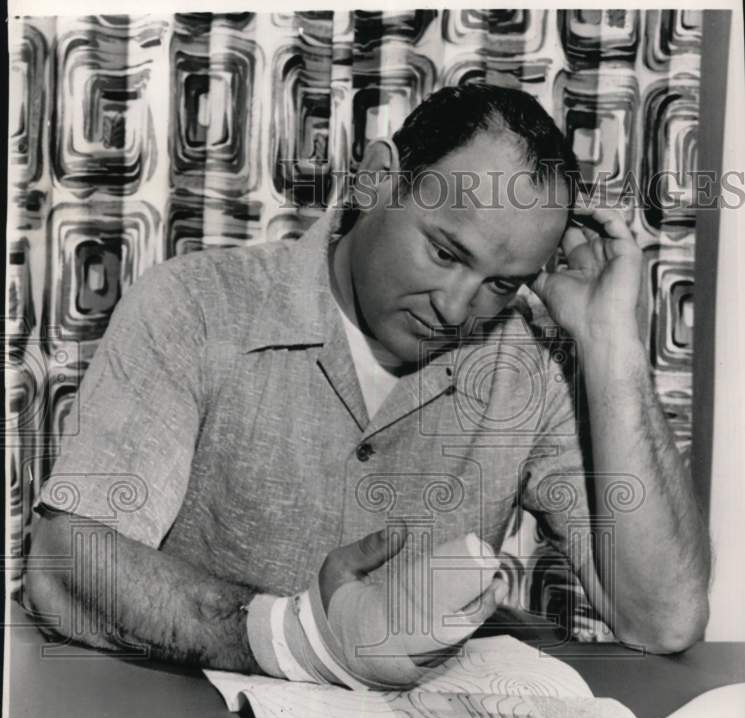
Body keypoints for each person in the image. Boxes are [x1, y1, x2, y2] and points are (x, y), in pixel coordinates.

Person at [25, 85, 710, 686]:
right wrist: (301, 639)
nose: (454, 305)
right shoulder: (199, 305)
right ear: (376, 180)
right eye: (444, 252)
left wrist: (610, 344)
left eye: (501, 284)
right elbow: (65, 564)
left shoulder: (529, 361)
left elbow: (662, 618)